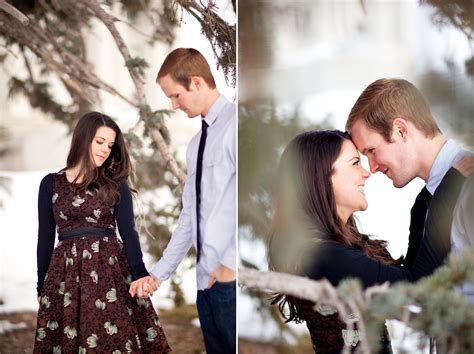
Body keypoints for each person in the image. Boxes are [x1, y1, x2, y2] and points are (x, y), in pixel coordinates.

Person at [268, 130, 465, 353]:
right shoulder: (324, 256)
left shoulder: (321, 250)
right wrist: (452, 183)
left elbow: (408, 274)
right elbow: (417, 286)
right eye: (355, 163)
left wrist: (425, 199)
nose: (366, 173)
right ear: (321, 175)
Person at [34, 112, 170, 353]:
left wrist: (139, 272)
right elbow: (45, 239)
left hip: (109, 273)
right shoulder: (50, 184)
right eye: (100, 142)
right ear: (83, 139)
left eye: (110, 145)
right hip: (64, 276)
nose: (105, 150)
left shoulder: (115, 183)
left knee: (111, 341)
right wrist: (41, 285)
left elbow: (128, 232)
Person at [129, 48, 236, 354]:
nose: (174, 105)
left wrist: (229, 266)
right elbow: (190, 216)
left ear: (197, 82)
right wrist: (159, 274)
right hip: (206, 286)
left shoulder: (235, 129)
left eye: (176, 96)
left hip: (230, 282)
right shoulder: (195, 144)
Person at [346, 78, 472, 282]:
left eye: (371, 150)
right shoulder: (423, 204)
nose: (372, 167)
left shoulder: (469, 186)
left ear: (400, 130)